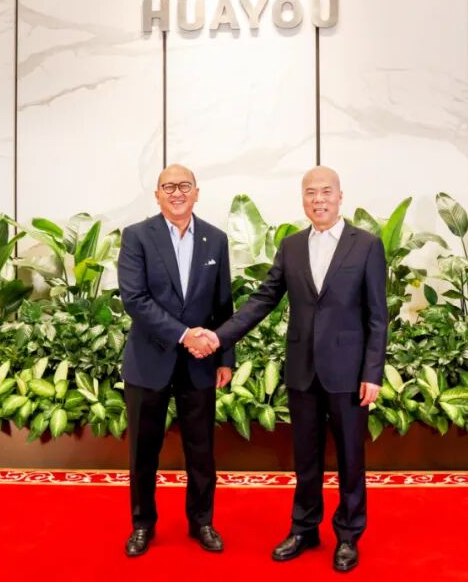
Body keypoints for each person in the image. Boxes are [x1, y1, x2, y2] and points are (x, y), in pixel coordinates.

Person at [189, 166, 387, 573]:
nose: (319, 199)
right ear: (303, 199)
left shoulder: (367, 245)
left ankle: (348, 535)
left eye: (326, 192)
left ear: (340, 196)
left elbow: (377, 316)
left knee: (351, 458)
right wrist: (219, 337)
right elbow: (264, 299)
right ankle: (304, 528)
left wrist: (373, 372)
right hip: (302, 369)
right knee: (305, 457)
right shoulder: (292, 245)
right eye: (311, 192)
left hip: (349, 372)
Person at [117, 164, 234, 557]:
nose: (177, 192)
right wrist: (186, 335)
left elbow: (223, 305)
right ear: (157, 195)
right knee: (143, 451)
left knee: (201, 450)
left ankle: (202, 522)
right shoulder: (137, 236)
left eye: (185, 186)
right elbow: (135, 299)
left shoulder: (216, 239)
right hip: (149, 360)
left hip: (201, 364)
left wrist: (225, 357)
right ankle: (142, 524)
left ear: (197, 192)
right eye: (168, 187)